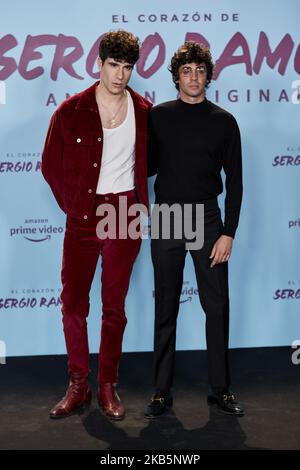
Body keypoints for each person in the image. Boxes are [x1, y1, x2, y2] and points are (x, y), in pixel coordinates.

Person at [42, 30, 152, 420]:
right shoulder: (70, 111)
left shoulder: (144, 110)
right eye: (113, 65)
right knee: (73, 302)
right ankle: (77, 384)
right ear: (99, 63)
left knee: (114, 306)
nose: (120, 74)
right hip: (84, 217)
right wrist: (74, 206)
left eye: (127, 67)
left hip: (125, 213)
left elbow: (150, 162)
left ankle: (107, 386)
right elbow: (49, 165)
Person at [145, 42, 244, 418]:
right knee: (165, 304)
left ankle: (221, 389)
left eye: (200, 70)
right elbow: (147, 166)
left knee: (216, 307)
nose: (194, 77)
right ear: (176, 77)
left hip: (207, 218)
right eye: (186, 70)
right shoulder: (157, 117)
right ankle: (161, 391)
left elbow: (235, 181)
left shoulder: (224, 121)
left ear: (208, 75)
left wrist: (228, 232)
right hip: (168, 216)